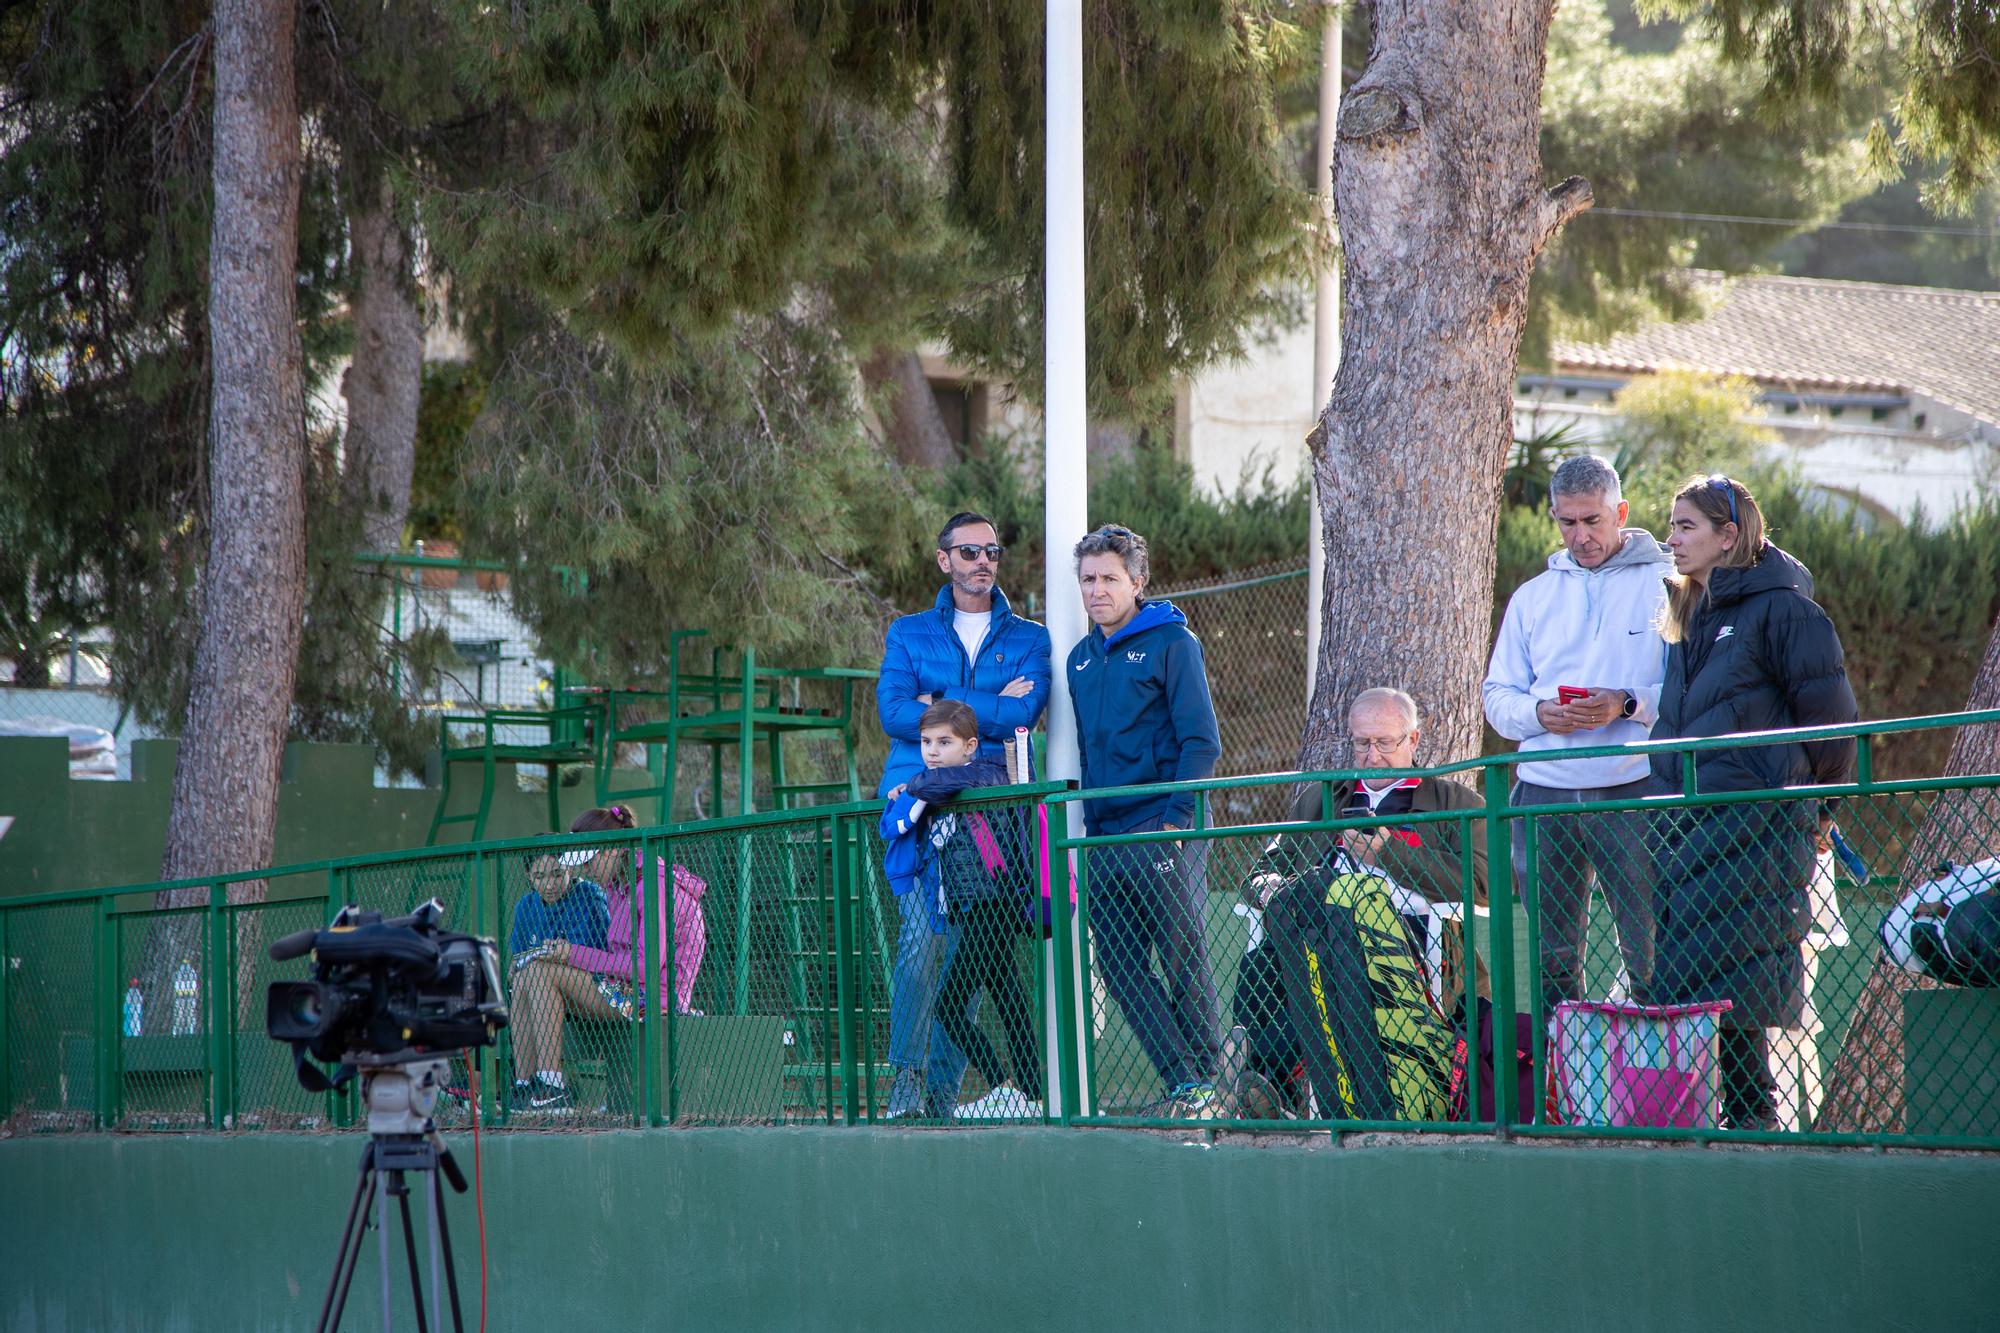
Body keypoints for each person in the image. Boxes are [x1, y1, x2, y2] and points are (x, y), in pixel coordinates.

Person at [1647, 475, 1857, 1130]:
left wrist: (1821, 808)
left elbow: (1830, 718)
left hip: (1758, 818)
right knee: (1697, 972)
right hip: (1686, 820)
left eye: (1687, 526)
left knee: (1743, 970)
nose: (1672, 539)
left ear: (1728, 534)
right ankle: (1723, 1113)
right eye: (1672, 525)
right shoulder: (1686, 612)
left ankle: (1752, 1114)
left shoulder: (1785, 609)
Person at [1232, 689, 1488, 1115]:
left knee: (1336, 962)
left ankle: (1295, 1088)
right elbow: (1262, 870)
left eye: (1385, 743)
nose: (1372, 757)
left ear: (1414, 741)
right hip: (1315, 936)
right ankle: (1267, 1084)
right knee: (1263, 959)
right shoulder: (1324, 798)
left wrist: (1388, 854)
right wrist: (1274, 892)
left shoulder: (1454, 804)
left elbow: (1483, 883)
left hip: (1408, 945)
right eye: (1361, 743)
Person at [876, 511, 1052, 1119]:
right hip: (923, 816)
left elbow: (1026, 715)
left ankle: (944, 1095)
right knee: (922, 945)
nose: (983, 562)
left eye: (993, 552)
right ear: (943, 559)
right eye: (970, 551)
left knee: (966, 958)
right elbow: (895, 713)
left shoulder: (1030, 637)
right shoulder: (907, 632)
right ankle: (906, 1082)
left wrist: (941, 704)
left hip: (991, 822)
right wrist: (983, 708)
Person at [1484, 453, 1668, 1011]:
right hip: (1542, 791)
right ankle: (1557, 1090)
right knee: (1551, 957)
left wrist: (1627, 703)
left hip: (1635, 785)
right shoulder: (1533, 597)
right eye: (1567, 522)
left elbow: (1691, 694)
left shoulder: (1669, 584)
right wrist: (1541, 715)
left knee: (1651, 948)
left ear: (1621, 512)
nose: (1580, 535)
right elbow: (1498, 698)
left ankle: (1658, 1087)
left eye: (1593, 520)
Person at [1067, 523, 1223, 1114]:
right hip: (1103, 837)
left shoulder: (1171, 643)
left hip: (1162, 826)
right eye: (1088, 579)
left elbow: (1201, 742)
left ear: (1138, 581)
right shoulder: (1080, 659)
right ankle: (1183, 1080)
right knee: (1121, 968)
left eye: (1109, 577)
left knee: (1182, 953)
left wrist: (1177, 819)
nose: (1097, 589)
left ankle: (1212, 1078)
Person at [880, 700, 1043, 1119]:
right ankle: (1029, 1092)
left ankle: (1004, 1086)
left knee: (950, 1006)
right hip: (970, 908)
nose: (932, 750)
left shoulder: (984, 773)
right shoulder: (940, 783)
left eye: (944, 742)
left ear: (970, 745)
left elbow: (949, 782)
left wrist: (913, 786)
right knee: (1009, 1000)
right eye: (925, 742)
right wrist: (915, 787)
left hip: (991, 905)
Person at [509, 805, 709, 1113]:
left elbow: (645, 967)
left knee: (540, 972)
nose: (585, 870)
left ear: (614, 850)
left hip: (655, 999)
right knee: (526, 974)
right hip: (621, 991)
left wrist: (572, 954)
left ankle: (553, 1086)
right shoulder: (618, 886)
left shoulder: (652, 886)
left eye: (589, 861)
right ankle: (525, 1085)